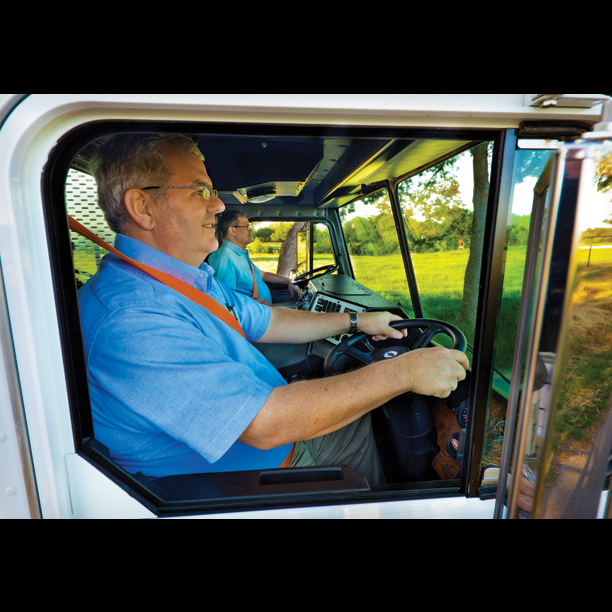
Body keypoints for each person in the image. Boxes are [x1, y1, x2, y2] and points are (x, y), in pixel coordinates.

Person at [79, 134, 469, 485]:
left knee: (358, 419)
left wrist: (358, 320)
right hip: (249, 476)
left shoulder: (182, 280)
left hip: (264, 438)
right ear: (142, 207)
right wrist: (402, 371)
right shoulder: (131, 320)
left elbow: (266, 319)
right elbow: (262, 426)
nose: (218, 204)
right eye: (200, 191)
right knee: (359, 430)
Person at [208, 211, 300, 308]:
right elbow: (226, 301)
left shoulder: (240, 254)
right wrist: (257, 302)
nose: (251, 230)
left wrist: (288, 281)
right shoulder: (224, 257)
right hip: (252, 317)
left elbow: (262, 275)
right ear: (232, 231)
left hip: (263, 310)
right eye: (246, 227)